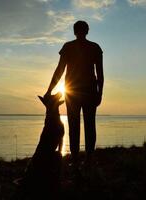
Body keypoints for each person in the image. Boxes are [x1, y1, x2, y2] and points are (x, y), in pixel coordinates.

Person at [45, 20, 104, 167]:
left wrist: (49, 90)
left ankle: (79, 159)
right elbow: (101, 75)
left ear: (74, 31)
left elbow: (59, 70)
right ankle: (86, 159)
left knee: (75, 126)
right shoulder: (93, 47)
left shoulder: (70, 47)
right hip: (87, 92)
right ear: (87, 30)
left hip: (75, 92)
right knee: (89, 125)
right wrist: (99, 93)